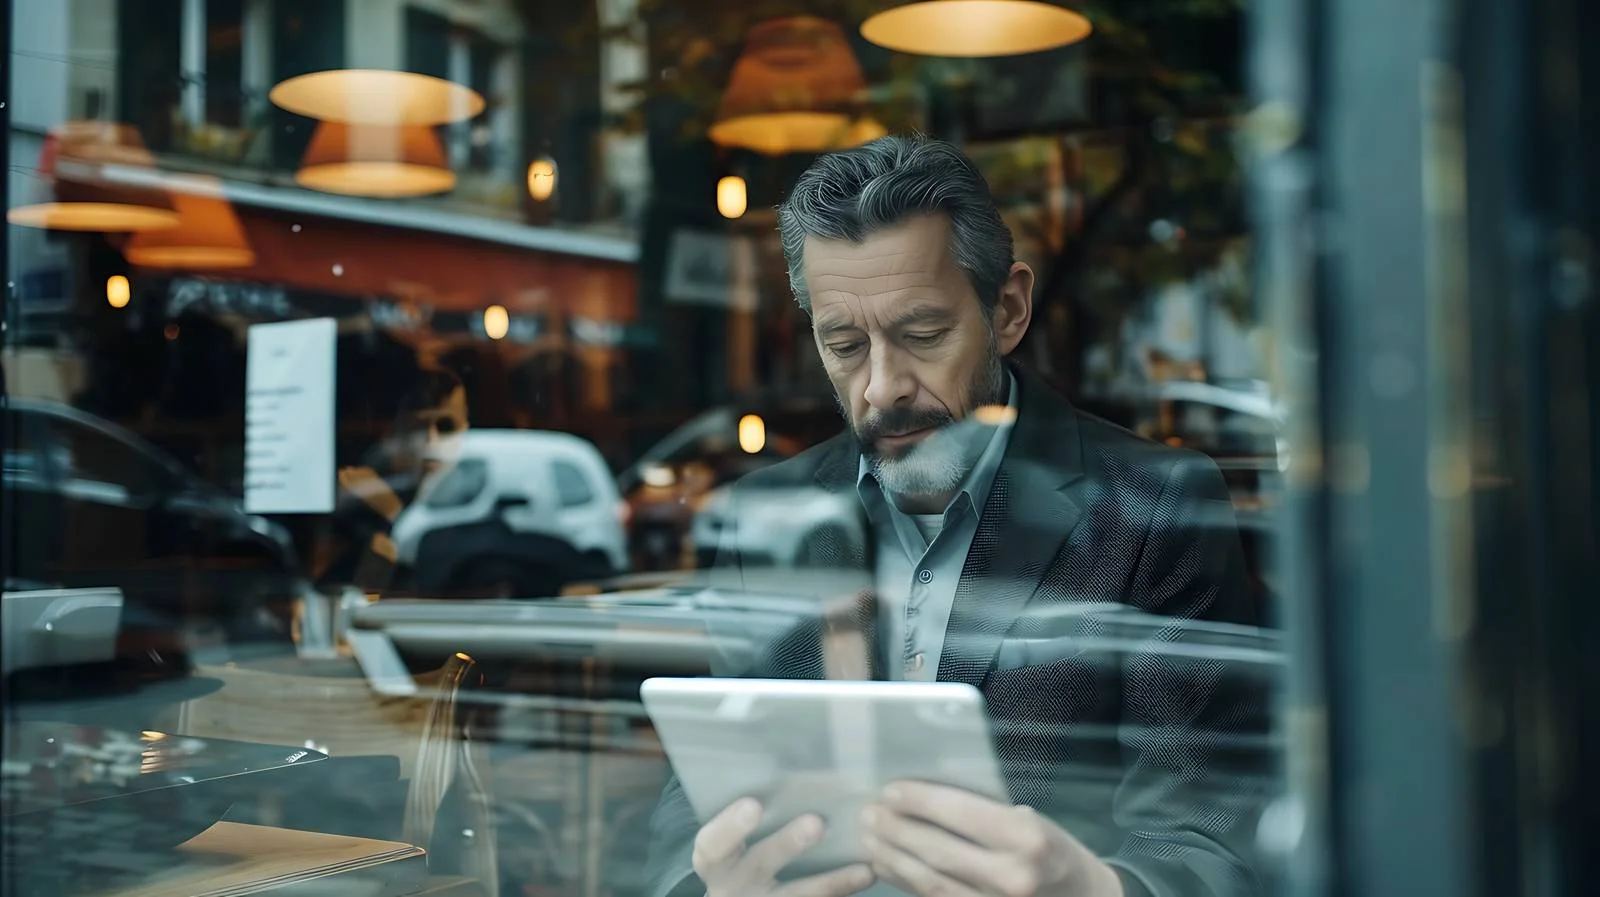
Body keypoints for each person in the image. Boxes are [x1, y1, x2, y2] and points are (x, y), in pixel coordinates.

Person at [644, 135, 1267, 897]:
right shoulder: (763, 514)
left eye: (922, 335)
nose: (880, 388)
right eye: (843, 344)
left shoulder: (1155, 505)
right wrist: (710, 886)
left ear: (1006, 309)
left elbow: (1210, 834)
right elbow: (694, 796)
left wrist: (1093, 888)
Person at [312, 364, 469, 592]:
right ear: (397, 436)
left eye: (446, 427)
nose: (431, 441)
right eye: (418, 427)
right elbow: (360, 591)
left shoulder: (475, 502)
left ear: (465, 431)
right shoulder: (366, 505)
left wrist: (394, 513)